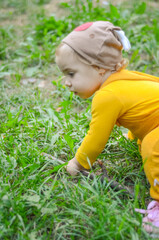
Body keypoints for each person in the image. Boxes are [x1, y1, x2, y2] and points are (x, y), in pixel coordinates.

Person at [55, 21, 159, 233]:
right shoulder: (124, 79)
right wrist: (133, 134)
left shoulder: (106, 96)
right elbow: (146, 109)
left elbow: (96, 138)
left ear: (99, 68)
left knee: (152, 146)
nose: (65, 82)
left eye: (71, 73)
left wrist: (79, 163)